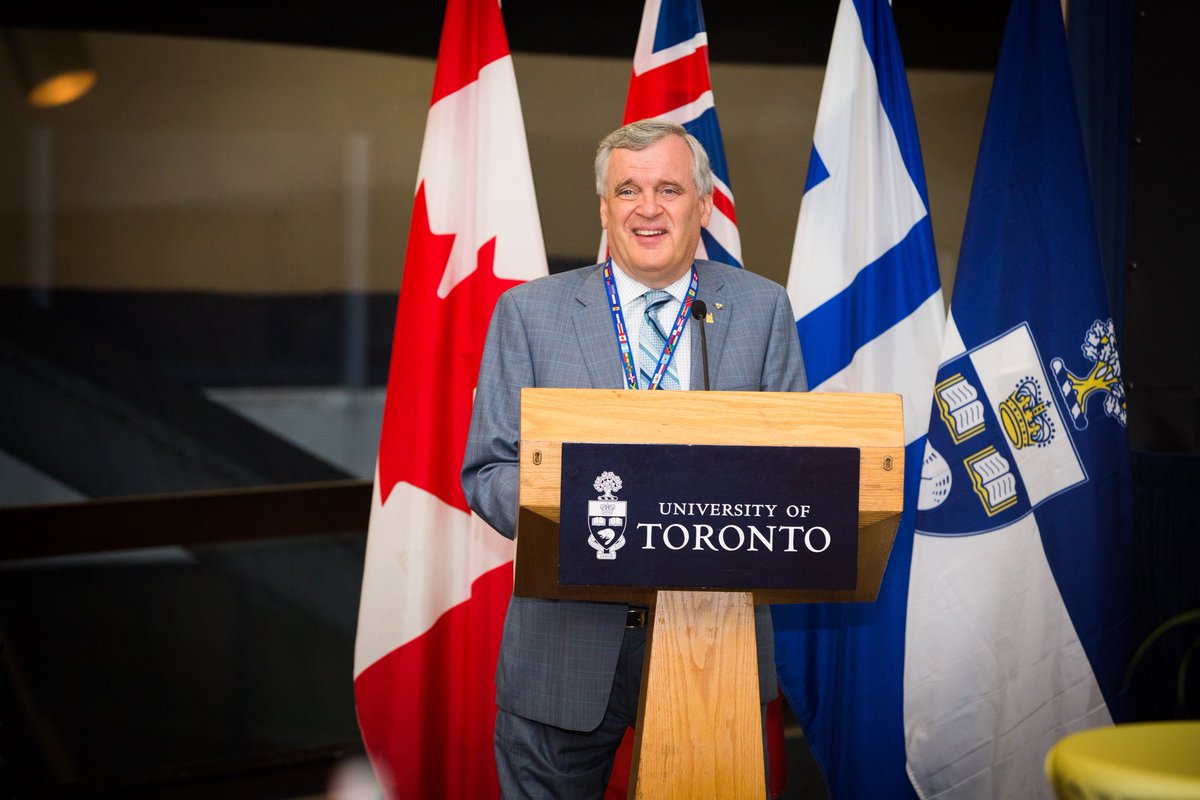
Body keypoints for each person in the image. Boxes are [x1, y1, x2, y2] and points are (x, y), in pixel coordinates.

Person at [462, 118, 807, 798]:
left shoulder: (763, 309)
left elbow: (796, 473)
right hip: (563, 647)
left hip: (713, 644)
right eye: (628, 189)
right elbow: (489, 472)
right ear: (603, 207)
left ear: (703, 206)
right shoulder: (529, 313)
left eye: (669, 189)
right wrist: (581, 508)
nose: (648, 208)